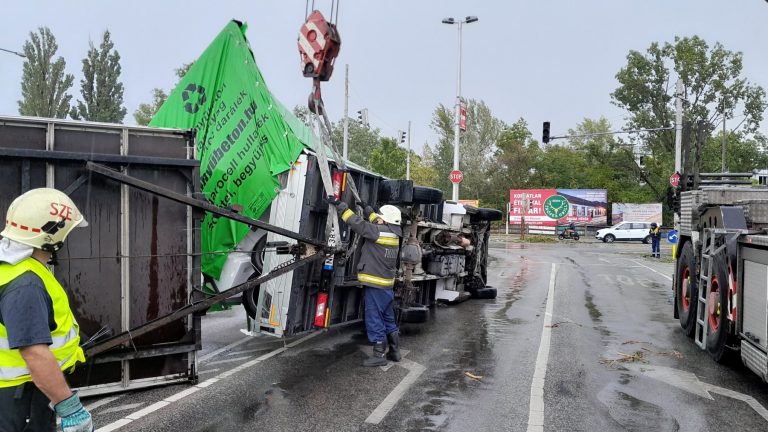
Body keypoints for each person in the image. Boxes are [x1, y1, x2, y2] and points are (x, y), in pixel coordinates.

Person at [0, 188, 93, 432]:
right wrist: (69, 407)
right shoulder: (25, 283)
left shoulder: (9, 268)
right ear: (54, 235)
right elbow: (34, 353)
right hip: (20, 400)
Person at [328, 197, 402, 367]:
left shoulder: (377, 232)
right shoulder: (394, 233)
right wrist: (369, 210)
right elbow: (378, 222)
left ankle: (379, 354)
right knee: (388, 318)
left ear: (385, 220)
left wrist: (341, 206)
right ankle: (395, 352)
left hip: (375, 286)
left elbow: (356, 223)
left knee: (374, 317)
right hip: (386, 286)